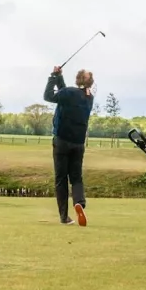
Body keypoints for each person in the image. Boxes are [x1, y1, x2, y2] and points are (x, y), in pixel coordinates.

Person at [44, 65, 94, 225]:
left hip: (61, 141)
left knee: (61, 179)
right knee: (76, 178)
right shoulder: (88, 97)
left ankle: (64, 217)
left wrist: (53, 76)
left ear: (77, 79)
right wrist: (59, 78)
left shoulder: (68, 93)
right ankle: (79, 202)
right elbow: (65, 93)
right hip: (78, 144)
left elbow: (48, 96)